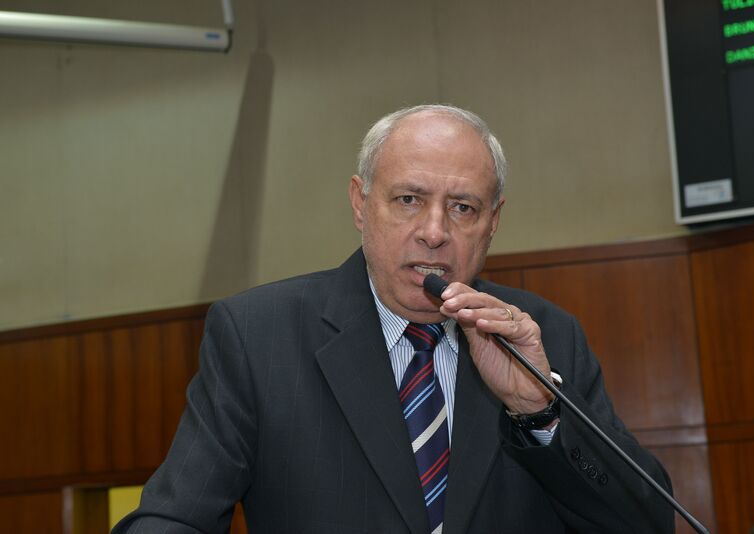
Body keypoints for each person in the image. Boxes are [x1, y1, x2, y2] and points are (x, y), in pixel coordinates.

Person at [112, 104, 675, 533]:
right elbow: (176, 517)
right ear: (361, 204)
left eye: (463, 207)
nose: (434, 232)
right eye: (408, 200)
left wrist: (539, 412)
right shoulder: (258, 336)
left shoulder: (545, 335)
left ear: (493, 222)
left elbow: (645, 522)